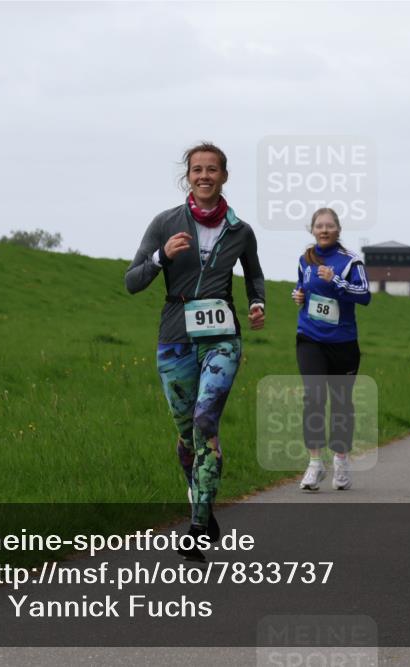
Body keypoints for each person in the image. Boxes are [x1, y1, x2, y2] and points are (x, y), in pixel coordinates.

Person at [125, 142, 265, 561]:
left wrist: (258, 303)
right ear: (187, 176)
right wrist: (160, 257)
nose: (204, 176)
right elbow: (132, 281)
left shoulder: (240, 231)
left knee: (206, 420)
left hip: (222, 338)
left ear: (224, 176)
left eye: (212, 169)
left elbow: (255, 276)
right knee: (187, 436)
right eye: (196, 170)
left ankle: (198, 527)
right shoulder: (165, 223)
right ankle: (202, 504)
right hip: (175, 337)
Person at [291, 208, 371, 492]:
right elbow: (302, 287)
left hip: (343, 344)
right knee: (313, 397)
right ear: (312, 230)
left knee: (341, 406)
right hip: (310, 338)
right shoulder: (305, 259)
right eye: (319, 226)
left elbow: (365, 296)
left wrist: (335, 281)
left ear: (338, 230)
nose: (324, 230)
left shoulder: (351, 262)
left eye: (329, 226)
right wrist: (298, 295)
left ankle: (340, 461)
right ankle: (315, 463)